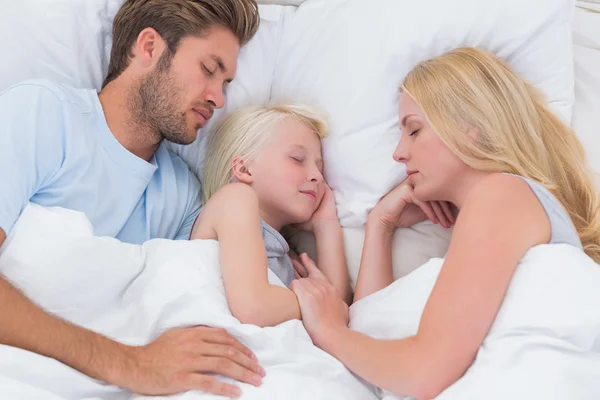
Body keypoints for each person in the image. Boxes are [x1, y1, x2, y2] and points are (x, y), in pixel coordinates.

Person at [289, 47, 600, 399]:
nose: (398, 153)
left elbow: (424, 373)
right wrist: (381, 224)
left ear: (470, 127)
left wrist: (330, 331)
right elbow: (376, 335)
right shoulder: (501, 212)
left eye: (414, 131)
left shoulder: (502, 194)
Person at [0, 1, 264, 397]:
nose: (219, 99)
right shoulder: (42, 113)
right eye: (209, 70)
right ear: (148, 47)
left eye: (226, 83)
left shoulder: (184, 196)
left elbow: (212, 306)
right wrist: (129, 363)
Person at [191, 104, 352, 327]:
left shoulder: (285, 256)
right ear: (244, 169)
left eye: (319, 167)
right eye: (297, 159)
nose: (317, 176)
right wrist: (318, 303)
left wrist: (326, 225)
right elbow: (254, 308)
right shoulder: (233, 200)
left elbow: (337, 318)